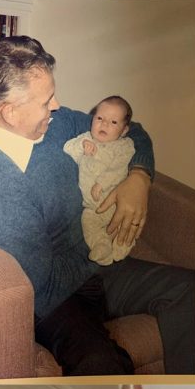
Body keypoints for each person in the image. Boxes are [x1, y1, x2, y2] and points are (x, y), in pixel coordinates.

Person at [0, 36, 195, 375]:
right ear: (10, 112)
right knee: (101, 366)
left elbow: (133, 131)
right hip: (58, 300)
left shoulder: (56, 125)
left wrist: (139, 177)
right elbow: (43, 289)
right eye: (47, 100)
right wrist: (98, 253)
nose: (58, 105)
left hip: (98, 263)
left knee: (192, 291)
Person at [64, 95, 136, 265]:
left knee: (123, 224)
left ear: (124, 130)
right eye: (100, 118)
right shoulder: (86, 138)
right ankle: (101, 246)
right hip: (91, 207)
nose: (104, 124)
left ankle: (123, 244)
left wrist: (101, 183)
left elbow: (118, 168)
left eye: (113, 122)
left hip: (116, 202)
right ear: (92, 118)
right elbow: (67, 149)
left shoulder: (124, 146)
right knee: (88, 223)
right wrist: (82, 147)